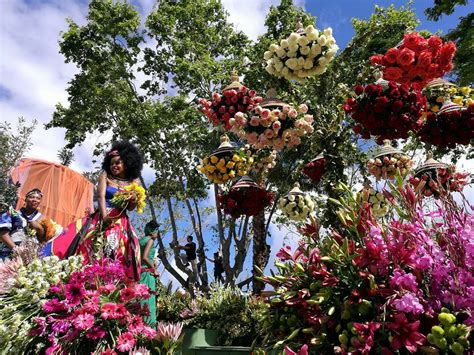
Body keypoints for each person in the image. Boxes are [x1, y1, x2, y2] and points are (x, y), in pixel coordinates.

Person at [42, 141, 144, 280]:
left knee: (123, 251)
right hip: (102, 216)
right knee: (86, 244)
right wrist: (105, 216)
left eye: (118, 163)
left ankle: (112, 282)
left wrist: (133, 199)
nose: (114, 166)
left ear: (127, 163)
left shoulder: (134, 183)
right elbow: (101, 196)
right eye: (112, 163)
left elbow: (131, 208)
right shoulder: (105, 176)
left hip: (121, 222)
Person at [0, 188, 45, 260]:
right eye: (31, 197)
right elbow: (3, 234)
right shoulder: (12, 213)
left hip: (30, 257)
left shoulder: (42, 219)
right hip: (10, 254)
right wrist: (17, 250)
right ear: (25, 199)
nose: (35, 200)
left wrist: (40, 229)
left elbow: (43, 241)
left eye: (38, 198)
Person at [139, 220, 159, 326]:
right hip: (147, 274)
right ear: (152, 232)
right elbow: (145, 257)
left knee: (141, 301)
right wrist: (154, 269)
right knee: (149, 302)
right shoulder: (150, 240)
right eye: (156, 231)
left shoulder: (140, 240)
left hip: (140, 273)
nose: (157, 234)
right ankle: (149, 329)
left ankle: (140, 327)